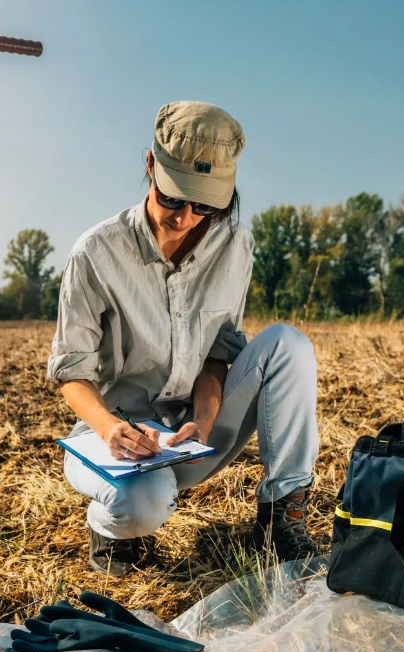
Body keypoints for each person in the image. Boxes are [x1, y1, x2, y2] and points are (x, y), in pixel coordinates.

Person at [47, 101, 320, 575]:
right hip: (115, 440)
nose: (185, 217)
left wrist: (206, 420)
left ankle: (281, 515)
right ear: (150, 165)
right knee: (142, 509)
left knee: (288, 345)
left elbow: (218, 354)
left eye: (205, 206)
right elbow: (72, 373)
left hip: (193, 434)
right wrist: (113, 430)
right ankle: (110, 526)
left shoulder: (235, 246)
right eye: (172, 198)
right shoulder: (95, 253)